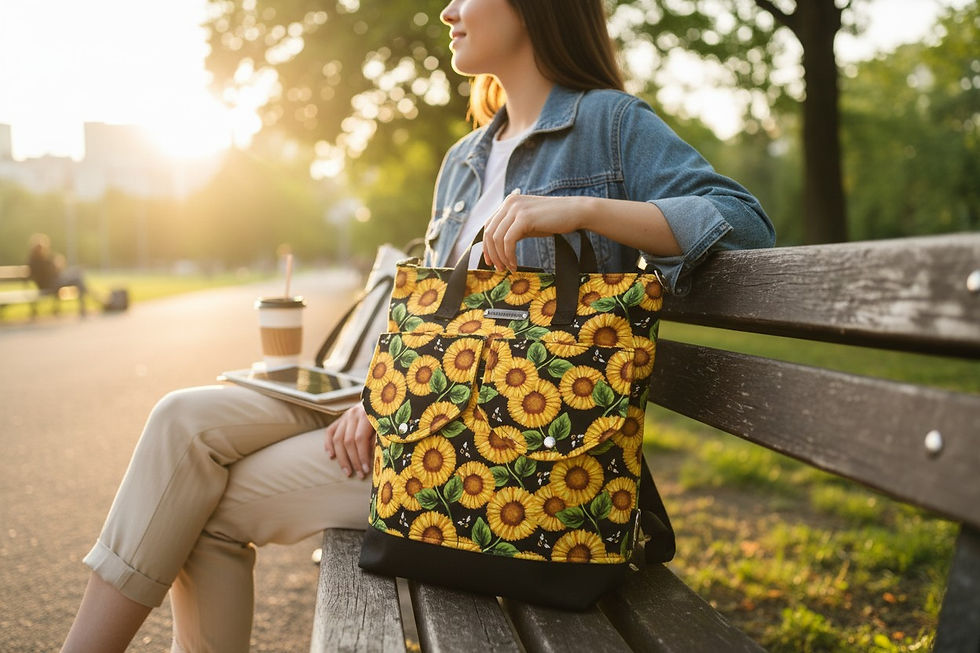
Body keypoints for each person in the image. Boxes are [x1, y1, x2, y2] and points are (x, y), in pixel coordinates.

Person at [60, 1, 774, 651]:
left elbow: (744, 224)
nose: (447, 10)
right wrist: (379, 396)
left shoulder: (609, 125)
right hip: (415, 419)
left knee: (203, 507)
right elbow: (430, 327)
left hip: (514, 457)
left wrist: (581, 211)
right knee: (181, 416)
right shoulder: (464, 160)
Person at [27, 233, 90, 316]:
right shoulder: (38, 261)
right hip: (50, 285)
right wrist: (56, 265)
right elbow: (51, 273)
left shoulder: (37, 259)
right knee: (78, 279)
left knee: (77, 274)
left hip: (53, 283)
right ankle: (84, 306)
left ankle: (87, 298)